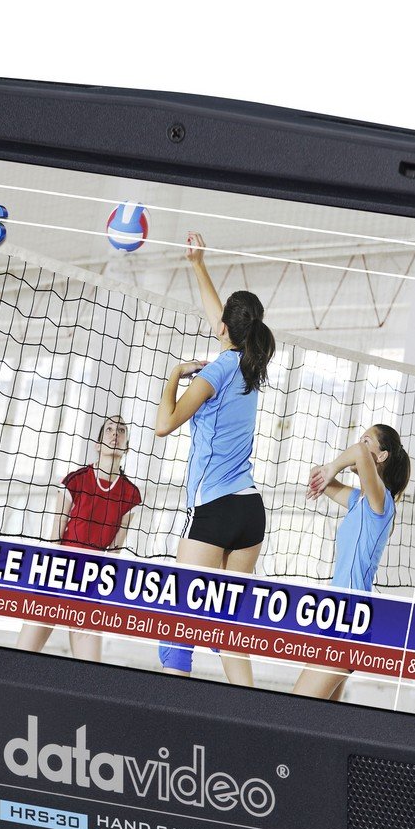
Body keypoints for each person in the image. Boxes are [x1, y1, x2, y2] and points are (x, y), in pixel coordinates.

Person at [152, 234, 275, 684]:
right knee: (227, 630)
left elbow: (164, 424)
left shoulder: (217, 369)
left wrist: (175, 374)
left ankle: (171, 710)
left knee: (177, 625)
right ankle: (248, 709)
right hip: (250, 511)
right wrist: (198, 264)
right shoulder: (250, 366)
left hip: (214, 509)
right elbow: (218, 317)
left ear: (224, 328)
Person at [292, 425, 412, 701]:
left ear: (381, 456)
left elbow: (358, 453)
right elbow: (324, 481)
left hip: (349, 618)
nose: (359, 444)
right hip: (338, 616)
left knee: (296, 709)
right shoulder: (360, 500)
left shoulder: (381, 501)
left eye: (367, 440)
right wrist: (323, 473)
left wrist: (332, 467)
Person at [17, 415, 143, 662]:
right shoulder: (76, 479)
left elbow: (115, 551)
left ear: (126, 447)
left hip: (90, 582)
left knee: (89, 670)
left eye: (121, 430)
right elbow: (55, 536)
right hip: (57, 572)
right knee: (21, 657)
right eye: (109, 429)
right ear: (97, 445)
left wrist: (101, 589)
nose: (114, 434)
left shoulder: (131, 494)